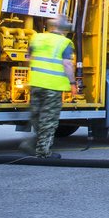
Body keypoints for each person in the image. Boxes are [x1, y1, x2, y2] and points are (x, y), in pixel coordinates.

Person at [22, 16, 77, 159]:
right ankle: (43, 152)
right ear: (65, 30)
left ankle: (33, 144)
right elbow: (67, 64)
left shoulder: (37, 38)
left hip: (36, 84)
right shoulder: (65, 43)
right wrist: (72, 83)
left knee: (37, 116)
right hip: (52, 87)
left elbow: (29, 57)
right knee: (49, 120)